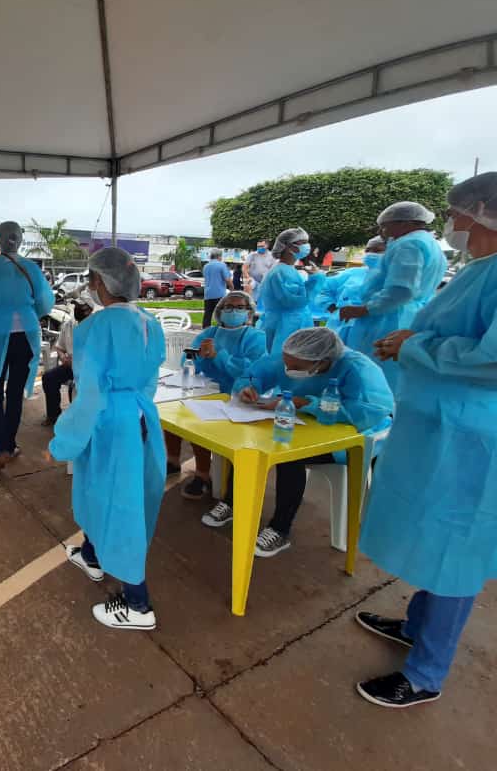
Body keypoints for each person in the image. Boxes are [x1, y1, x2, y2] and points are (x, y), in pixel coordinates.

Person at [354, 172, 497, 709]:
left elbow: (490, 357)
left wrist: (413, 345)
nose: (453, 223)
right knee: (432, 535)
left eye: (461, 213)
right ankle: (416, 626)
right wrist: (413, 344)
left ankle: (425, 674)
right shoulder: (478, 270)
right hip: (443, 425)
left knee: (456, 548)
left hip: (472, 439)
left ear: (483, 214)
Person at [49, 247, 166, 630]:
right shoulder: (150, 322)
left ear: (100, 281)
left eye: (91, 280)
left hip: (109, 421)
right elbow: (149, 377)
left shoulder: (93, 328)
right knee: (106, 493)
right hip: (139, 415)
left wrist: (66, 437)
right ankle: (92, 555)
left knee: (118, 504)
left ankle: (137, 604)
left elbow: (90, 391)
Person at [201, 328, 393, 557]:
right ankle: (232, 502)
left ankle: (280, 529)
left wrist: (307, 404)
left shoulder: (358, 370)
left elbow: (369, 412)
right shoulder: (291, 356)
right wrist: (247, 388)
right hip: (301, 424)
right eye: (286, 364)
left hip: (354, 435)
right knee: (247, 440)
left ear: (322, 363)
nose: (288, 370)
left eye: (297, 368)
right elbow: (255, 373)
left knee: (289, 456)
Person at [0, 221, 54, 475]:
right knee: (15, 392)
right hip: (26, 335)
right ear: (20, 240)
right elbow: (44, 303)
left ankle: (1, 448)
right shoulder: (31, 268)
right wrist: (25, 314)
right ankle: (10, 443)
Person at [165, 291, 265, 498]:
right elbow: (187, 362)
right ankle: (173, 461)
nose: (233, 311)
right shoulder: (209, 333)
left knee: (200, 424)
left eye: (239, 307)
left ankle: (203, 475)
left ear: (249, 313)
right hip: (205, 391)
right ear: (219, 312)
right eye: (228, 307)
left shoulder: (256, 337)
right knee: (172, 413)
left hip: (237, 397)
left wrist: (220, 356)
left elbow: (251, 372)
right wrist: (200, 356)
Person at [338, 201, 445, 391]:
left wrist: (365, 309)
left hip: (388, 319)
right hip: (403, 315)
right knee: (390, 375)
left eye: (385, 226)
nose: (382, 232)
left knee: (373, 374)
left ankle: (372, 413)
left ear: (404, 223)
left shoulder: (409, 244)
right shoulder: (430, 244)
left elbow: (401, 290)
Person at [256, 227, 316, 354]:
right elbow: (294, 302)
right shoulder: (281, 272)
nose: (307, 246)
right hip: (285, 326)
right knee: (284, 363)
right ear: (289, 246)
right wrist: (316, 280)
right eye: (303, 242)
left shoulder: (288, 270)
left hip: (287, 324)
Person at [316, 236, 386, 337]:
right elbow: (324, 291)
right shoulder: (350, 273)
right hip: (340, 327)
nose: (370, 254)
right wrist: (335, 310)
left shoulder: (395, 278)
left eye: (377, 250)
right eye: (367, 250)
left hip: (376, 330)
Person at [41, 299, 93, 426]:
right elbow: (59, 347)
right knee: (49, 378)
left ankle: (79, 420)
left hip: (89, 369)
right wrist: (63, 357)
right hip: (70, 366)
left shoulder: (97, 328)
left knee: (75, 388)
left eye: (81, 307)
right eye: (76, 306)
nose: (77, 309)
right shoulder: (68, 325)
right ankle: (53, 416)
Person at [202, 249, 232, 328]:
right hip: (219, 294)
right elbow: (227, 279)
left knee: (207, 314)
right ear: (219, 256)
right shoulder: (222, 265)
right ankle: (221, 332)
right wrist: (232, 288)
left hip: (208, 294)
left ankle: (205, 331)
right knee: (221, 315)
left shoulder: (206, 266)